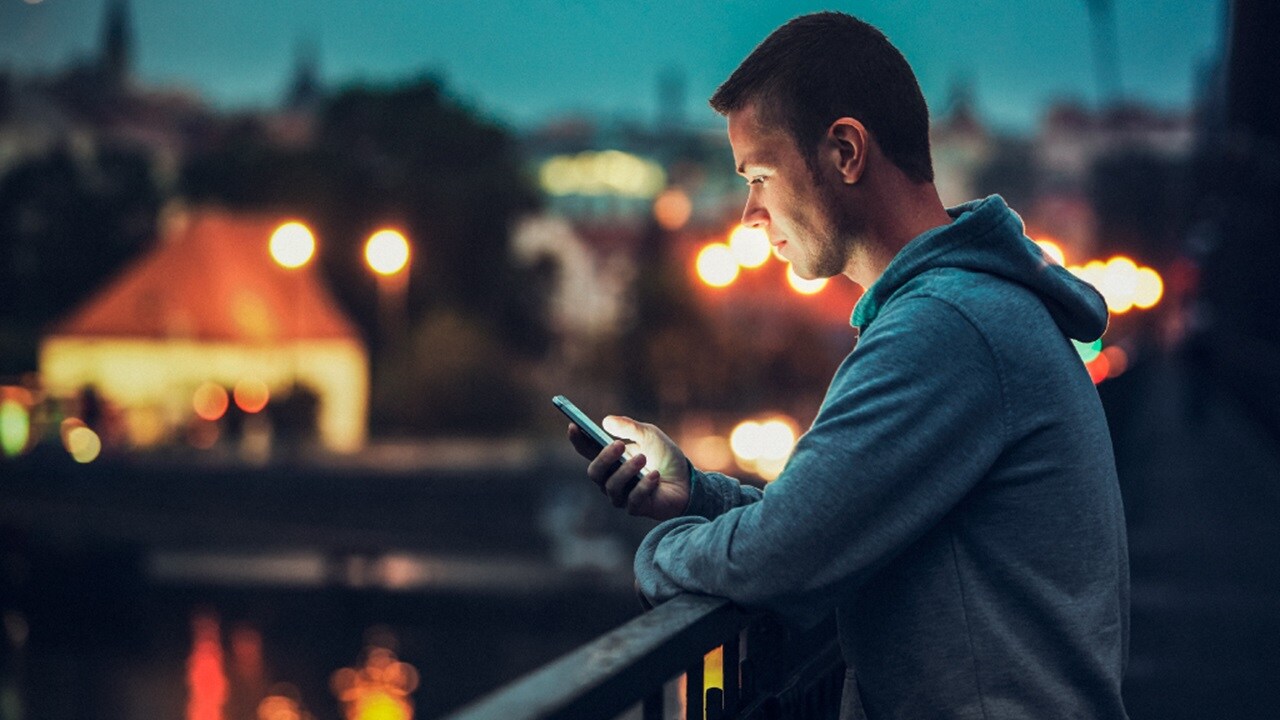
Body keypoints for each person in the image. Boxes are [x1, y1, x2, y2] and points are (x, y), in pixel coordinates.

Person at [568, 11, 1129, 720]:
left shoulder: (945, 327)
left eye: (761, 176)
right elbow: (834, 521)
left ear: (844, 152)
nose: (749, 215)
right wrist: (697, 498)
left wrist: (659, 552)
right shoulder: (967, 310)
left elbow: (780, 557)